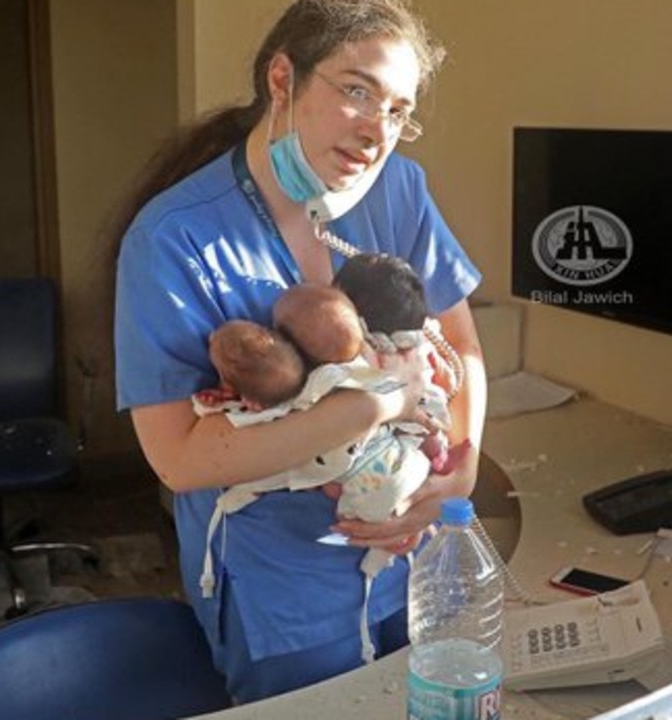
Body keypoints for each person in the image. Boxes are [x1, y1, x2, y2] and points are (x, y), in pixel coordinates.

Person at [112, 0, 486, 703]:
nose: (378, 132)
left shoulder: (398, 191)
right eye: (356, 91)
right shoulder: (174, 239)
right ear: (282, 79)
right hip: (283, 594)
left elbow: (461, 344)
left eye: (399, 111)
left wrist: (453, 480)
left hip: (415, 558)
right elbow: (182, 457)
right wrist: (383, 400)